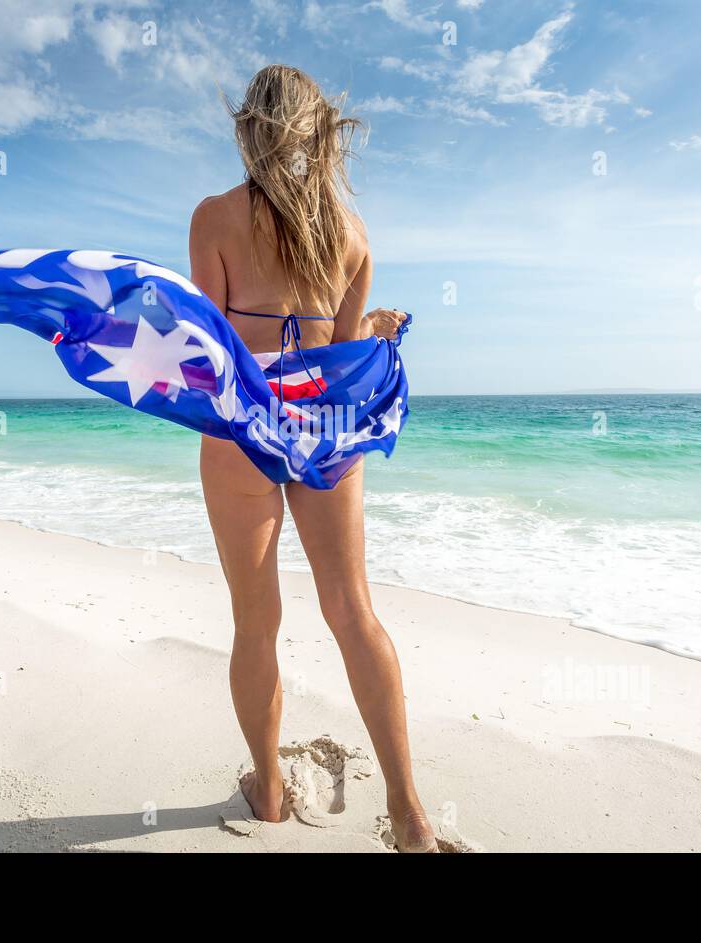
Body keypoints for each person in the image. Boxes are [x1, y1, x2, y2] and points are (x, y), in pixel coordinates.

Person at [188, 65, 434, 852]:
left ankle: (266, 789)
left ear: (249, 126)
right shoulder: (353, 234)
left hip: (244, 428)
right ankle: (409, 814)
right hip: (325, 424)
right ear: (319, 130)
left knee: (255, 620)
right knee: (353, 611)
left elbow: (212, 352)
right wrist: (377, 331)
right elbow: (338, 354)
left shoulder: (215, 218)